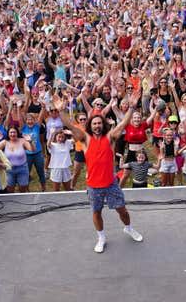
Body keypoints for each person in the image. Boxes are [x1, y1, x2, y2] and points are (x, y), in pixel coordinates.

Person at [56, 95, 143, 253]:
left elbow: (123, 123)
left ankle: (128, 228)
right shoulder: (85, 139)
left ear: (103, 125)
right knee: (96, 212)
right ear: (91, 125)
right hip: (94, 187)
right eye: (94, 123)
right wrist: (61, 110)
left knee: (122, 210)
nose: (97, 125)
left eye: (99, 123)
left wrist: (131, 108)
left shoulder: (110, 138)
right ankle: (101, 237)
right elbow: (69, 124)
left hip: (111, 184)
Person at [0, 126, 35, 192]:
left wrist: (30, 141)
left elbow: (32, 150)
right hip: (9, 169)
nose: (12, 134)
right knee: (10, 189)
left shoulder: (22, 141)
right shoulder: (4, 142)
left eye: (14, 132)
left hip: (22, 168)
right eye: (11, 132)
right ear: (8, 134)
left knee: (23, 188)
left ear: (17, 133)